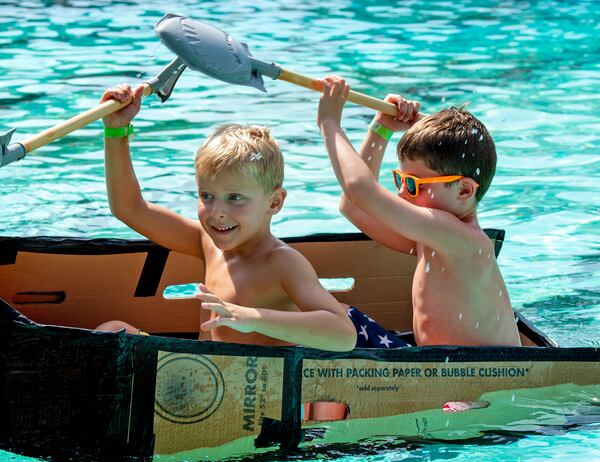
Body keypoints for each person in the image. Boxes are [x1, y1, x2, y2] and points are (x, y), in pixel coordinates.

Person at [94, 83, 356, 352]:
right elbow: (129, 208)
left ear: (274, 202)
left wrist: (250, 317)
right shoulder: (207, 242)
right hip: (199, 372)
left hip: (248, 385)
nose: (217, 211)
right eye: (207, 196)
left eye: (235, 198)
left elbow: (344, 335)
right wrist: (116, 131)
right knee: (112, 331)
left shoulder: (282, 262)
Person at [317, 75, 520, 347]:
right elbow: (353, 206)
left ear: (464, 190)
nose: (402, 193)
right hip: (434, 366)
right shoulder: (434, 238)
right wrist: (380, 130)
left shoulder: (459, 238)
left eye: (414, 184)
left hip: (471, 373)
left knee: (333, 318)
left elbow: (360, 191)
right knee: (333, 315)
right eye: (401, 180)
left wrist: (329, 123)